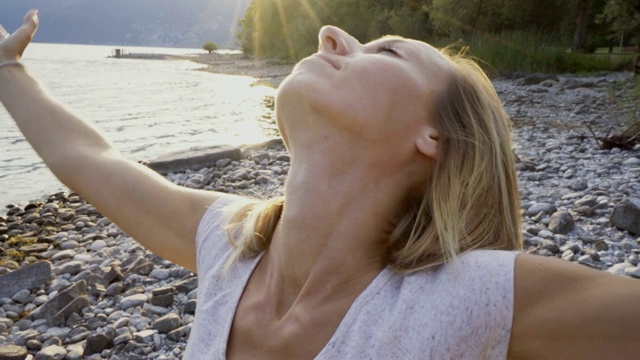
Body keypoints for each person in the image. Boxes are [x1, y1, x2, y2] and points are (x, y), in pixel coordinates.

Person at [1, 9, 639, 360]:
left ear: (435, 139)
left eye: (385, 52)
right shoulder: (229, 245)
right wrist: (7, 70)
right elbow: (94, 161)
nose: (330, 35)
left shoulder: (472, 298)